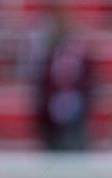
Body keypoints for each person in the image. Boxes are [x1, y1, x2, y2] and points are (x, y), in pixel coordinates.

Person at [34, 7, 93, 151]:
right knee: (55, 146)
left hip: (76, 107)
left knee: (74, 144)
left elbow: (88, 81)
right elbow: (44, 83)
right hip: (53, 111)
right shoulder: (50, 55)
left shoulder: (81, 55)